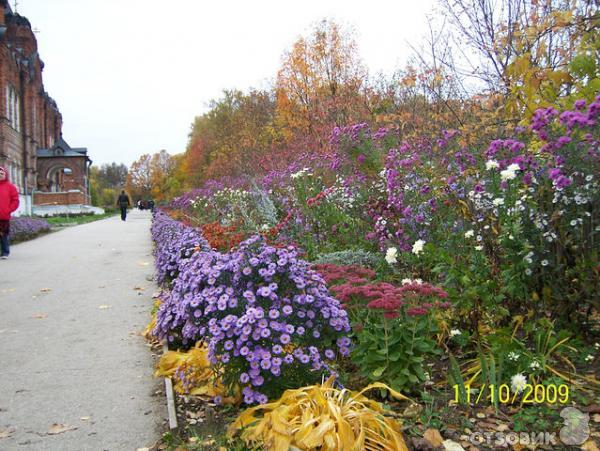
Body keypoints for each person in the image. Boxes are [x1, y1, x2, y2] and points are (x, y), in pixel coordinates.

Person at [0, 166, 20, 259]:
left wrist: (8, 209)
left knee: (3, 235)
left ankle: (5, 253)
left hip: (3, 216)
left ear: (5, 175)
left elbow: (15, 200)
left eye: (1, 174)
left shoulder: (10, 187)